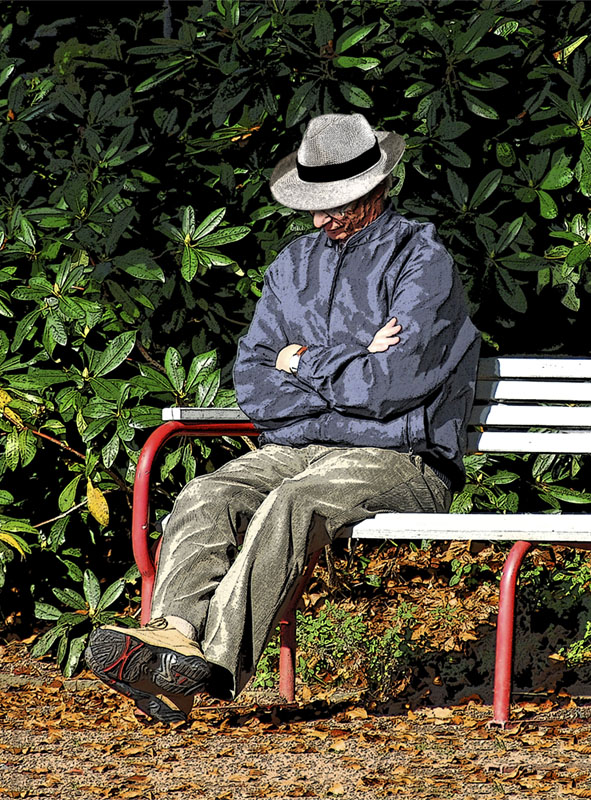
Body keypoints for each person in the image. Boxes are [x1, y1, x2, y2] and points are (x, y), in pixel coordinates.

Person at [85, 113, 482, 722]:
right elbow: (255, 386)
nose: (320, 220)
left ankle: (202, 672)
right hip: (297, 450)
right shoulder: (293, 266)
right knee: (205, 492)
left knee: (292, 504)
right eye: (313, 205)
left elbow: (394, 388)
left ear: (375, 191)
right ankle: (172, 636)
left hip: (401, 458)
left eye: (335, 205)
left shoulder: (422, 262)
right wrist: (352, 362)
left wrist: (303, 362)